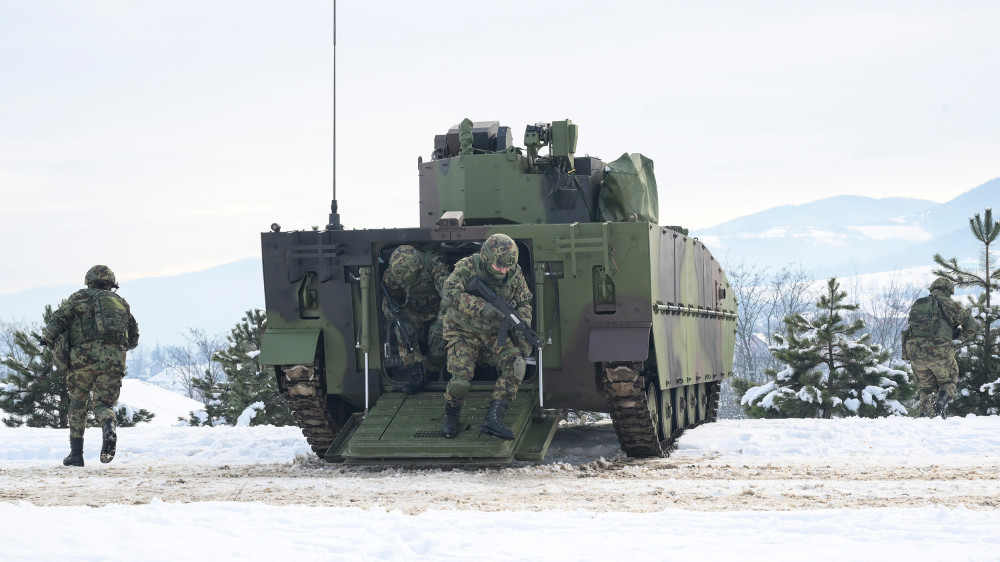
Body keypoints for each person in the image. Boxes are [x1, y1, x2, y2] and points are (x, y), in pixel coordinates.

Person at [439, 233, 534, 440]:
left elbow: (525, 301)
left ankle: (494, 418)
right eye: (499, 266)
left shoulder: (514, 274)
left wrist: (522, 323)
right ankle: (451, 414)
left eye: (507, 267)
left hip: (493, 333)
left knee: (516, 365)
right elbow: (449, 293)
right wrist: (483, 307)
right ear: (486, 258)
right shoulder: (469, 266)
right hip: (462, 329)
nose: (503, 271)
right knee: (460, 382)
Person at [43, 265, 139, 466]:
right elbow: (133, 338)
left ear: (89, 281)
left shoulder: (79, 298)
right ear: (112, 284)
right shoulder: (121, 303)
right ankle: (108, 424)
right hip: (114, 361)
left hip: (82, 361)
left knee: (78, 403)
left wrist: (51, 343)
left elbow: (54, 325)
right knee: (103, 404)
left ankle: (76, 455)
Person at [902, 276, 978, 418]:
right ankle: (941, 403)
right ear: (949, 290)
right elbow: (973, 326)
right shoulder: (949, 304)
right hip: (939, 352)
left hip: (915, 353)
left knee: (926, 387)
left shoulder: (919, 304)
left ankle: (925, 416)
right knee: (948, 381)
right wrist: (957, 335)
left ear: (933, 289)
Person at [381, 245, 449, 394]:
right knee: (403, 330)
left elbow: (449, 293)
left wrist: (442, 319)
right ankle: (416, 374)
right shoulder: (392, 274)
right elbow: (387, 302)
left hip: (438, 309)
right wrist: (393, 311)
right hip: (411, 311)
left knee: (438, 335)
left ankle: (433, 374)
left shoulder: (432, 263)